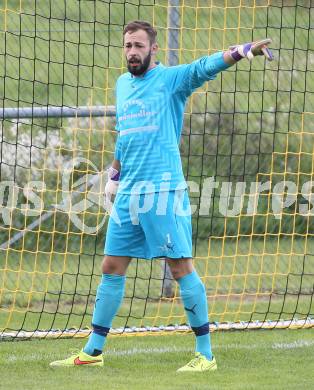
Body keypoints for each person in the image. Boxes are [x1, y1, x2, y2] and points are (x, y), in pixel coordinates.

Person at [50, 20, 273, 372]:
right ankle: (92, 352)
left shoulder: (170, 81)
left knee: (180, 267)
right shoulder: (123, 84)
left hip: (163, 192)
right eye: (128, 46)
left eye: (139, 45)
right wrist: (115, 174)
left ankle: (205, 355)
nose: (132, 52)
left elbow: (203, 68)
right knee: (110, 266)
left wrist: (240, 52)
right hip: (129, 195)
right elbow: (125, 133)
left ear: (153, 48)